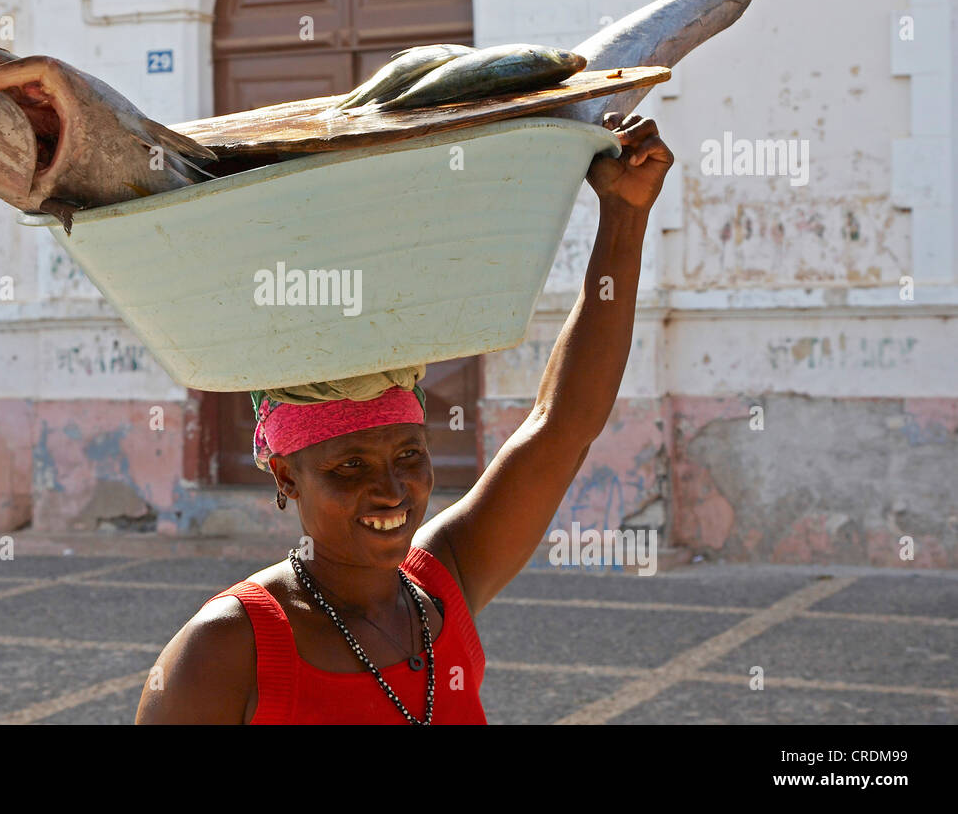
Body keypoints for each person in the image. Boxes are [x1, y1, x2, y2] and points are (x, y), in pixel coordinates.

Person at [136, 112, 673, 724]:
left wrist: (625, 215)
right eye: (350, 465)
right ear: (285, 477)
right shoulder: (226, 649)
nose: (391, 489)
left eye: (409, 456)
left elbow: (562, 425)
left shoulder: (443, 583)